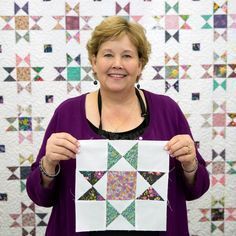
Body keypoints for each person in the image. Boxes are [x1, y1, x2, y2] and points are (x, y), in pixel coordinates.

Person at [26, 16, 210, 236]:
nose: (117, 64)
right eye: (108, 55)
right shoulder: (67, 113)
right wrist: (48, 164)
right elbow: (40, 196)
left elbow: (196, 189)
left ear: (140, 64)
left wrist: (190, 164)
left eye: (127, 55)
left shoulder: (167, 110)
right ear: (94, 61)